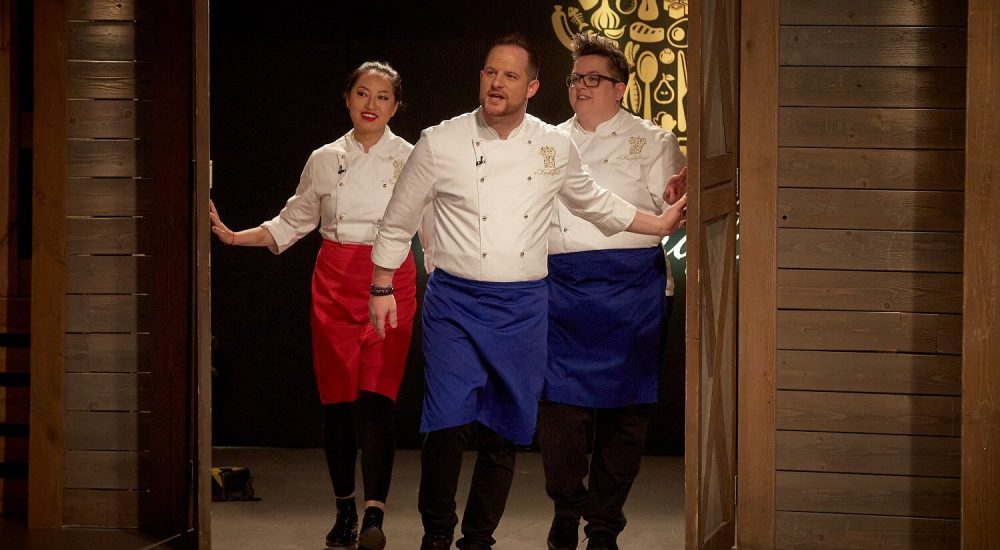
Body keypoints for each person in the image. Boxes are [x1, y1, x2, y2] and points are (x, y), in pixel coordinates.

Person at [367, 33, 687, 550]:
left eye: (510, 75)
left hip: (540, 301)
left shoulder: (558, 145)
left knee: (509, 427)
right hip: (473, 299)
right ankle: (441, 532)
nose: (497, 83)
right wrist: (382, 282)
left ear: (531, 87)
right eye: (491, 72)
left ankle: (487, 537)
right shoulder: (443, 140)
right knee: (452, 422)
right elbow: (399, 218)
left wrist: (661, 222)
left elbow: (596, 202)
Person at [209, 61, 416, 550]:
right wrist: (233, 236)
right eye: (362, 93)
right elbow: (292, 222)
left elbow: (431, 227)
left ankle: (374, 515)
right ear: (347, 98)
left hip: (390, 281)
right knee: (339, 405)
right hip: (334, 283)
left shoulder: (412, 158)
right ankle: (345, 510)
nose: (371, 104)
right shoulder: (324, 159)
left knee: (378, 401)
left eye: (382, 97)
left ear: (396, 107)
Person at [538, 32, 687, 550]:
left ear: (620, 88)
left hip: (632, 288)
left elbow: (672, 208)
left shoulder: (653, 140)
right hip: (561, 287)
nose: (581, 86)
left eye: (593, 78)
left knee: (627, 415)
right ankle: (566, 506)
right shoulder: (547, 140)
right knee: (559, 411)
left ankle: (603, 526)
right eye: (575, 78)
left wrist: (678, 195)